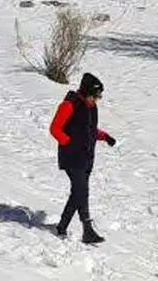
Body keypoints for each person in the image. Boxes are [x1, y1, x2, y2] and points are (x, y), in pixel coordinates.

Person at [49, 73, 116, 244]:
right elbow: (55, 128)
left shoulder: (91, 107)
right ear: (87, 92)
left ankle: (62, 227)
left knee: (78, 193)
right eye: (95, 95)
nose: (97, 99)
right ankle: (87, 229)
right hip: (72, 157)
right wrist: (68, 143)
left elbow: (89, 130)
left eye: (99, 96)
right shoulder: (69, 105)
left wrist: (105, 136)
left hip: (86, 158)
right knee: (82, 191)